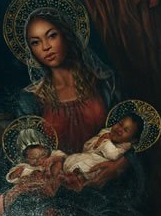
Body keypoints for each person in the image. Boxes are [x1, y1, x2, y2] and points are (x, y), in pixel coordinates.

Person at [22, 9, 113, 153]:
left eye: (52, 36)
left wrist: (117, 163)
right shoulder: (32, 98)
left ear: (66, 35)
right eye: (35, 42)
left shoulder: (104, 83)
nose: (46, 47)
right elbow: (30, 153)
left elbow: (132, 135)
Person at [61, 113, 142, 184]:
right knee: (72, 159)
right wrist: (99, 140)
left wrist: (107, 141)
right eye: (120, 124)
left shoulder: (125, 147)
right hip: (89, 156)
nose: (119, 129)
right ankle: (69, 175)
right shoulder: (106, 133)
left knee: (87, 169)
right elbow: (86, 147)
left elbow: (112, 155)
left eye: (126, 130)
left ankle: (76, 180)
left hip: (99, 164)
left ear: (133, 139)